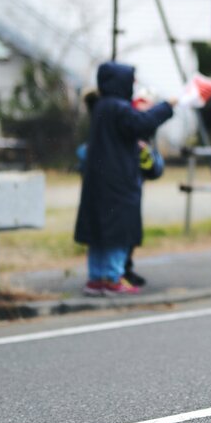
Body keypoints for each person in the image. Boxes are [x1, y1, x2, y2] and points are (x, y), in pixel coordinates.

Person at [73, 61, 177, 296]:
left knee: (98, 234)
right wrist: (167, 106)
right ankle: (112, 278)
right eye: (132, 80)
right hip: (119, 182)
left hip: (99, 182)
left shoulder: (101, 106)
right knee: (118, 233)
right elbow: (142, 123)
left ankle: (96, 279)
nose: (134, 84)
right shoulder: (119, 108)